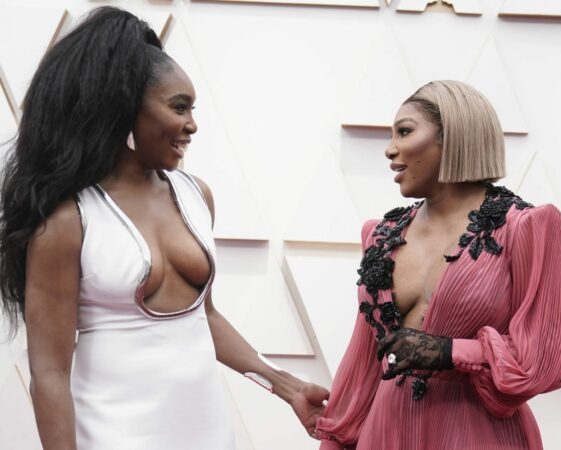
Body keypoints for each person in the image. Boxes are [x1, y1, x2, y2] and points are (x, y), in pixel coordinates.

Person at [0, 7, 328, 450]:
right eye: (179, 107)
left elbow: (203, 317)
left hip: (208, 433)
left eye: (193, 108)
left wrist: (286, 388)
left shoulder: (197, 196)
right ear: (126, 109)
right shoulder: (66, 222)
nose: (192, 125)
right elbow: (50, 373)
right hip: (114, 436)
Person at [315, 80, 561, 449]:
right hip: (385, 432)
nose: (390, 149)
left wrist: (450, 351)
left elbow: (554, 352)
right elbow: (363, 365)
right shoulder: (380, 235)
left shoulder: (526, 227)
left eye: (404, 132)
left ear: (453, 138)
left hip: (475, 433)